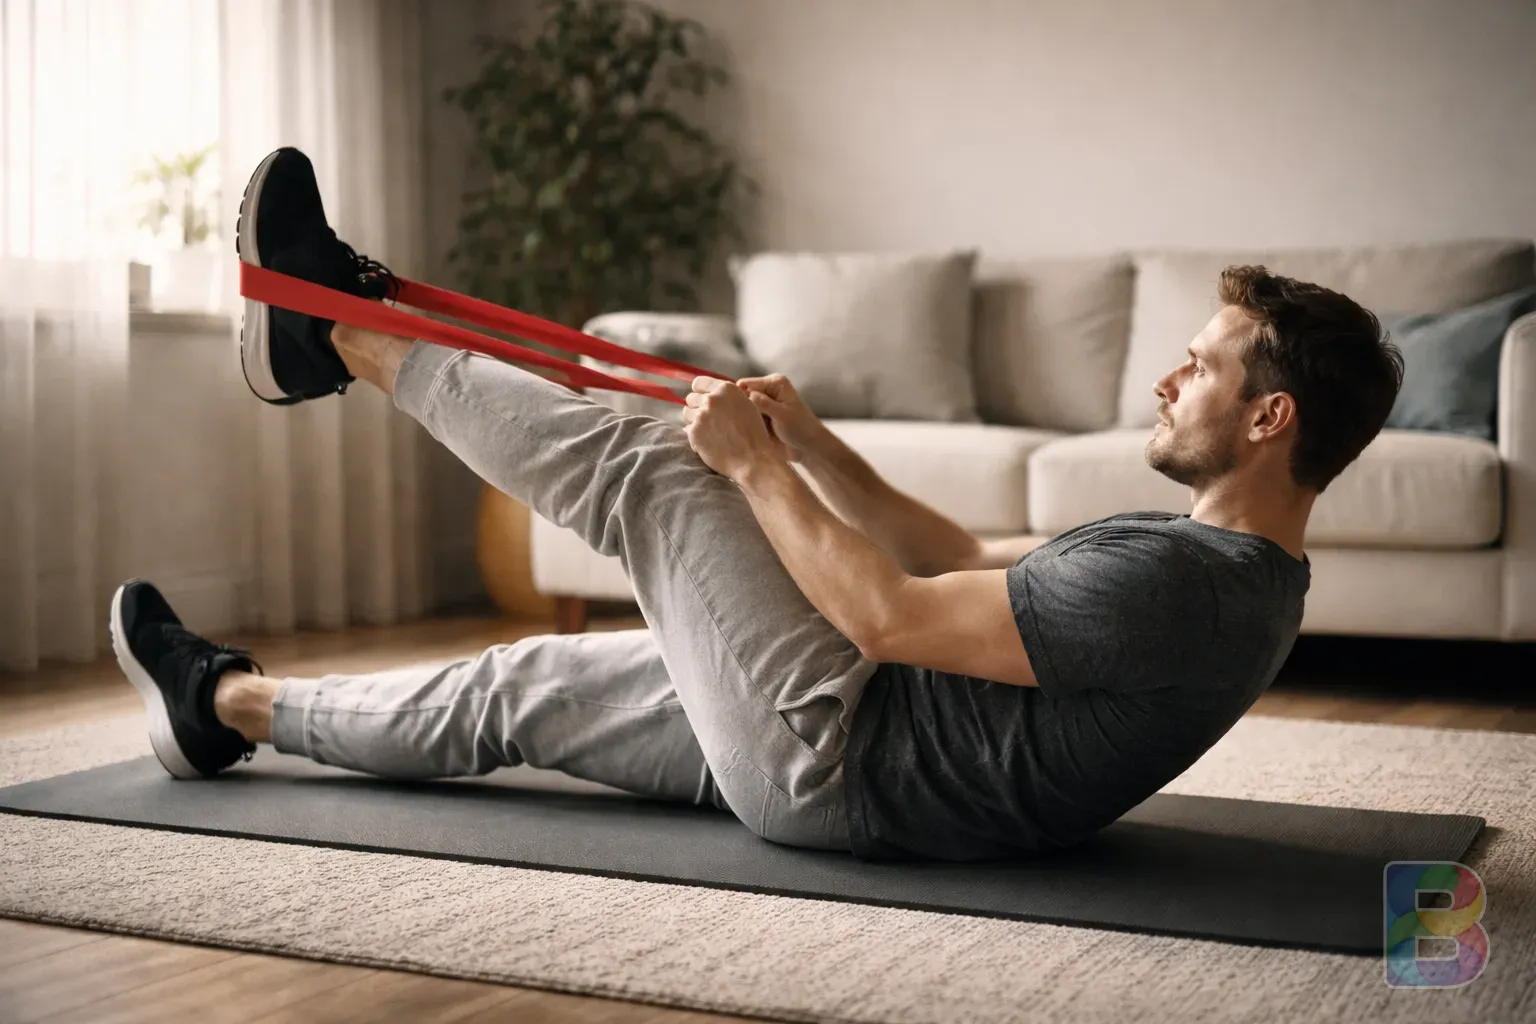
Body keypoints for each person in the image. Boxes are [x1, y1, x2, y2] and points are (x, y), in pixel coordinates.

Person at [109, 147, 1404, 862]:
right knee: (531, 684)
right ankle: (225, 709)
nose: (1169, 380)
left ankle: (329, 336)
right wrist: (814, 443)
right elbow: (953, 554)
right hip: (847, 724)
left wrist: (752, 465)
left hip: (836, 756)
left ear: (1269, 419)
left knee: (662, 470)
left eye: (1201, 368)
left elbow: (892, 616)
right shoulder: (1214, 565)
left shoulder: (1180, 587)